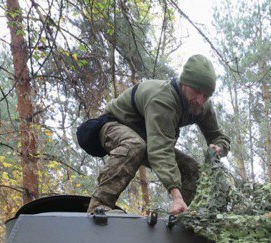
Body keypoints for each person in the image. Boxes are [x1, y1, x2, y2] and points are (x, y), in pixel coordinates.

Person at [87, 55, 230, 215]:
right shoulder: (163, 99)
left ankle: (187, 215)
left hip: (147, 138)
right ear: (184, 83)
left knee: (192, 169)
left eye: (206, 95)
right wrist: (176, 196)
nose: (200, 100)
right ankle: (98, 207)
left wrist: (220, 147)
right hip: (113, 126)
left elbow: (219, 137)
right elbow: (161, 151)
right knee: (134, 145)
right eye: (196, 92)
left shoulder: (202, 107)